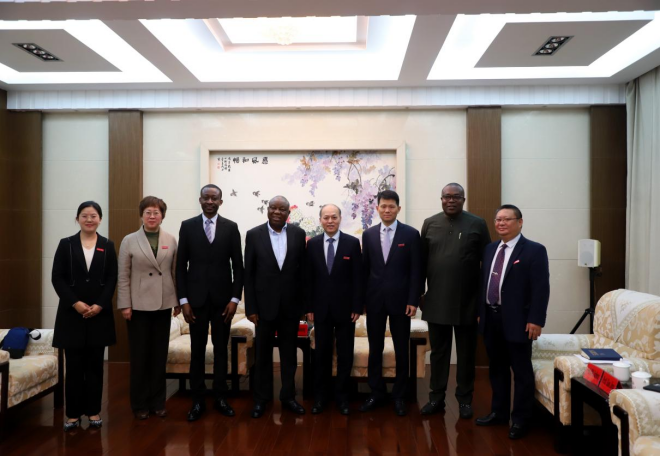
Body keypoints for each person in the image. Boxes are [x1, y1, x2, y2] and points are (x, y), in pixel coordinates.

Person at [475, 204, 550, 440]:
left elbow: (541, 288)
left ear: (520, 222)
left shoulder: (534, 250)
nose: (501, 223)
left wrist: (536, 319)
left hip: (519, 321)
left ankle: (520, 419)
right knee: (497, 369)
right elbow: (483, 283)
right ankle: (498, 413)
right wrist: (481, 311)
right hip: (491, 318)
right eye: (498, 219)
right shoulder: (490, 249)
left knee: (521, 371)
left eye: (507, 219)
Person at [419, 183, 491, 419]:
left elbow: (487, 264)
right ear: (441, 199)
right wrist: (419, 294)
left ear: (463, 199)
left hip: (467, 302)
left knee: (466, 354)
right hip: (436, 300)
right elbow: (421, 263)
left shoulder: (477, 224)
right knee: (438, 354)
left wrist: (482, 301)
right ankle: (436, 398)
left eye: (456, 197)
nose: (451, 200)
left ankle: (465, 400)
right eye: (447, 197)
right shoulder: (430, 223)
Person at [176, 185, 244, 422]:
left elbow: (238, 268)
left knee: (221, 350)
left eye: (215, 198)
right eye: (206, 197)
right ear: (200, 200)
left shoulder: (231, 227)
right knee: (197, 351)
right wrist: (183, 300)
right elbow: (180, 267)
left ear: (220, 202)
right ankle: (197, 400)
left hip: (223, 303)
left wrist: (234, 299)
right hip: (195, 302)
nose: (210, 201)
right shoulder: (187, 226)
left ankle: (220, 397)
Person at [52, 201, 118, 432]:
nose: (89, 220)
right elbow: (57, 277)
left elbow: (112, 278)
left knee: (95, 366)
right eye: (84, 216)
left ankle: (93, 411)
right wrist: (75, 303)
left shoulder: (107, 245)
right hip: (71, 315)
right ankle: (72, 414)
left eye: (93, 216)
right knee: (74, 366)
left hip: (99, 315)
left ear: (100, 219)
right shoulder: (66, 244)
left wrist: (100, 305)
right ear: (77, 218)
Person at [360, 190, 422, 417]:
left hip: (401, 302)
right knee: (375, 348)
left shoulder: (411, 234)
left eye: (391, 206)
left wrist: (413, 300)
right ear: (377, 208)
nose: (387, 210)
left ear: (398, 209)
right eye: (383, 206)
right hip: (374, 301)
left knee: (401, 349)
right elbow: (365, 269)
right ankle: (376, 392)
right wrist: (362, 301)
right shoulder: (368, 235)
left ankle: (399, 396)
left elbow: (417, 270)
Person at [117, 196, 181, 420]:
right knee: (140, 356)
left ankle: (158, 402)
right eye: (148, 212)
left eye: (156, 212)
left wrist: (177, 302)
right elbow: (123, 275)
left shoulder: (171, 239)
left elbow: (174, 272)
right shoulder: (129, 240)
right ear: (141, 215)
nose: (152, 216)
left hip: (164, 303)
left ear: (162, 215)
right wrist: (125, 304)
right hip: (138, 306)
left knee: (159, 355)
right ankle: (139, 404)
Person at [245, 196, 307, 419]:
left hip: (291, 307)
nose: (277, 212)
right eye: (274, 208)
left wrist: (303, 306)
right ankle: (261, 399)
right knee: (262, 356)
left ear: (288, 213)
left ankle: (288, 397)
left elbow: (303, 272)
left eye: (282, 209)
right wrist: (251, 308)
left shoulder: (298, 234)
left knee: (289, 355)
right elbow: (249, 274)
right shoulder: (254, 235)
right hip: (263, 309)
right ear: (267, 209)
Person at [306, 204, 363, 416]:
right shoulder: (312, 244)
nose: (330, 221)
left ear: (340, 218)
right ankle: (320, 397)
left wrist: (357, 306)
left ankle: (342, 398)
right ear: (320, 219)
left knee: (345, 355)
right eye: (326, 217)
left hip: (346, 310)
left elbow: (358, 278)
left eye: (334, 217)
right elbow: (308, 279)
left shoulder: (352, 243)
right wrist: (309, 307)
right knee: (321, 354)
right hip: (320, 309)